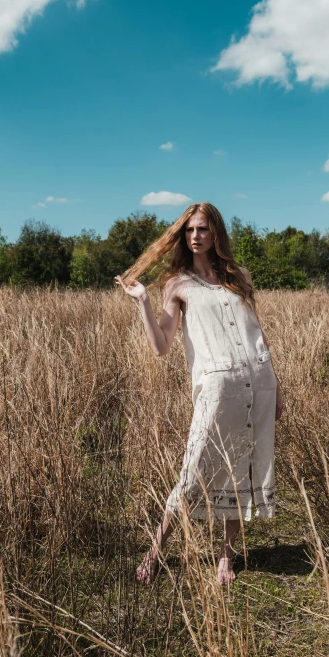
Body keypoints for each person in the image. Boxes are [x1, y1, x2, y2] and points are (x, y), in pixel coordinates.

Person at [114, 202, 284, 585]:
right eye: (189, 230)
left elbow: (258, 334)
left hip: (258, 383)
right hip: (217, 388)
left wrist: (278, 389)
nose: (195, 236)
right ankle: (155, 552)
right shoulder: (177, 284)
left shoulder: (240, 276)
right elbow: (161, 346)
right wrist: (142, 302)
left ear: (216, 233)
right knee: (192, 473)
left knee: (246, 467)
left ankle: (227, 558)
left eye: (203, 229)